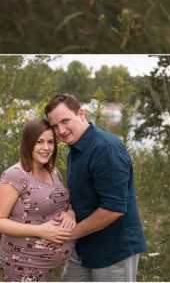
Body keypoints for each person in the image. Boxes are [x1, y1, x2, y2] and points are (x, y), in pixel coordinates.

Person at [45, 95, 147, 282]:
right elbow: (83, 195)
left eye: (65, 121)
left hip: (114, 251)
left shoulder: (105, 148)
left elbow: (113, 209)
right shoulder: (75, 147)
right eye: (54, 126)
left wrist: (67, 235)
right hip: (84, 246)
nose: (61, 130)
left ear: (81, 114)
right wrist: (71, 212)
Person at [0, 117, 77, 282]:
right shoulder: (14, 175)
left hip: (46, 266)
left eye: (50, 142)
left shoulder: (53, 172)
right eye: (39, 142)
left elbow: (62, 203)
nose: (46, 148)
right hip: (22, 264)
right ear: (28, 143)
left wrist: (70, 213)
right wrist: (39, 231)